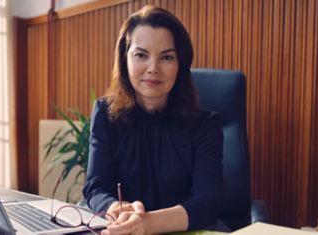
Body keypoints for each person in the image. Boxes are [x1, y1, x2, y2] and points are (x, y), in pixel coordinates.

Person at [83, 5, 224, 234]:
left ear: (180, 65)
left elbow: (207, 202)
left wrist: (147, 223)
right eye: (141, 55)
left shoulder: (205, 125)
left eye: (166, 57)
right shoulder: (105, 113)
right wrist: (117, 208)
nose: (153, 68)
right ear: (124, 60)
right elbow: (96, 186)